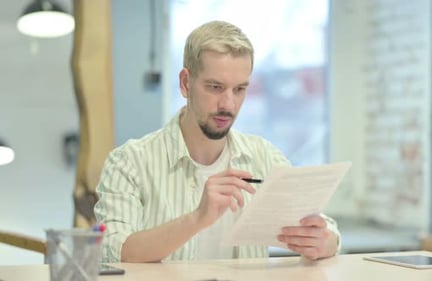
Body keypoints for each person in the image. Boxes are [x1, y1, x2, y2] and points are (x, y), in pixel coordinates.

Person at [94, 20, 341, 263]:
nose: (228, 105)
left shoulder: (264, 156)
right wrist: (198, 218)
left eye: (239, 89)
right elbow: (114, 251)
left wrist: (323, 242)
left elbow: (325, 228)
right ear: (185, 83)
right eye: (215, 87)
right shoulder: (129, 162)